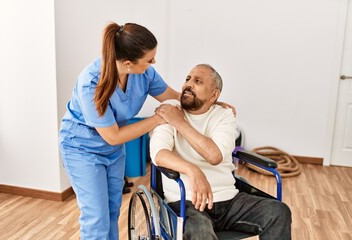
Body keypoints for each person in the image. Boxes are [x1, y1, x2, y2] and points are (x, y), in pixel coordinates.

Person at [58, 22, 181, 240]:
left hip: (113, 151)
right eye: (149, 59)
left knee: (112, 211)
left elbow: (172, 96)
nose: (153, 62)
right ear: (128, 63)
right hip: (81, 148)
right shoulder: (91, 82)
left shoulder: (144, 74)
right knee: (96, 218)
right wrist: (157, 118)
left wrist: (210, 103)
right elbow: (113, 136)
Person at [150, 64, 292, 240]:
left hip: (228, 200)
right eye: (187, 79)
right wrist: (192, 170)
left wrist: (180, 123)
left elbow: (214, 155)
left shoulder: (224, 115)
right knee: (200, 232)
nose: (189, 84)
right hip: (186, 202)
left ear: (214, 95)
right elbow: (159, 153)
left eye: (198, 81)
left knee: (278, 212)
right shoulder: (171, 109)